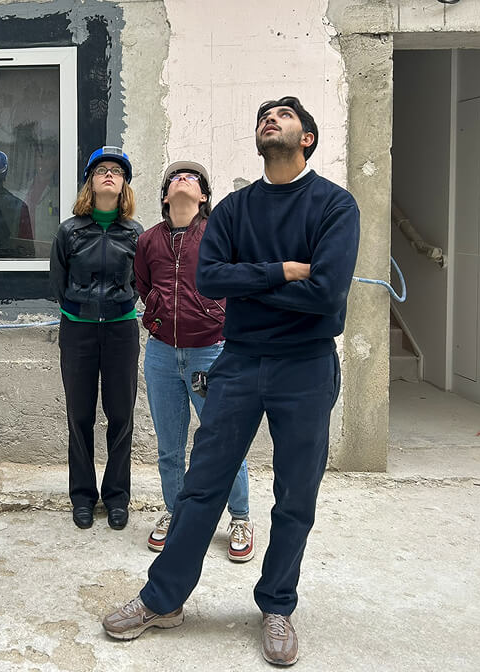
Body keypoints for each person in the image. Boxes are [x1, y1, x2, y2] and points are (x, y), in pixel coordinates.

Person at [102, 96, 360, 667]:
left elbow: (327, 294)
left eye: (286, 115)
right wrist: (283, 270)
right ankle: (162, 599)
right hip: (240, 361)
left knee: (296, 493)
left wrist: (253, 284)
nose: (272, 118)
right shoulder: (236, 210)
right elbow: (212, 279)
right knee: (202, 484)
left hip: (306, 364)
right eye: (265, 115)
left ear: (308, 138)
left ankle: (276, 604)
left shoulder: (334, 206)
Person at [134, 161, 253, 560]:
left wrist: (215, 315)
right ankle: (175, 512)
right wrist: (156, 312)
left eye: (193, 179)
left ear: (203, 196)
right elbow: (143, 285)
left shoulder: (220, 236)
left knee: (223, 440)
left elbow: (238, 281)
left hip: (211, 351)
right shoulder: (148, 240)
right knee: (169, 447)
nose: (182, 181)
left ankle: (240, 515)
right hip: (162, 354)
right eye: (174, 178)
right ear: (165, 195)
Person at [49, 146, 143, 531]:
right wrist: (80, 309)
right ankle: (83, 496)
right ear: (90, 181)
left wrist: (119, 304)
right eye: (101, 170)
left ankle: (118, 497)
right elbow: (58, 282)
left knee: (121, 416)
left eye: (117, 171)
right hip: (79, 331)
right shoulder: (70, 231)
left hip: (121, 330)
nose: (109, 175)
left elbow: (142, 280)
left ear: (124, 185)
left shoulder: (136, 233)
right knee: (80, 416)